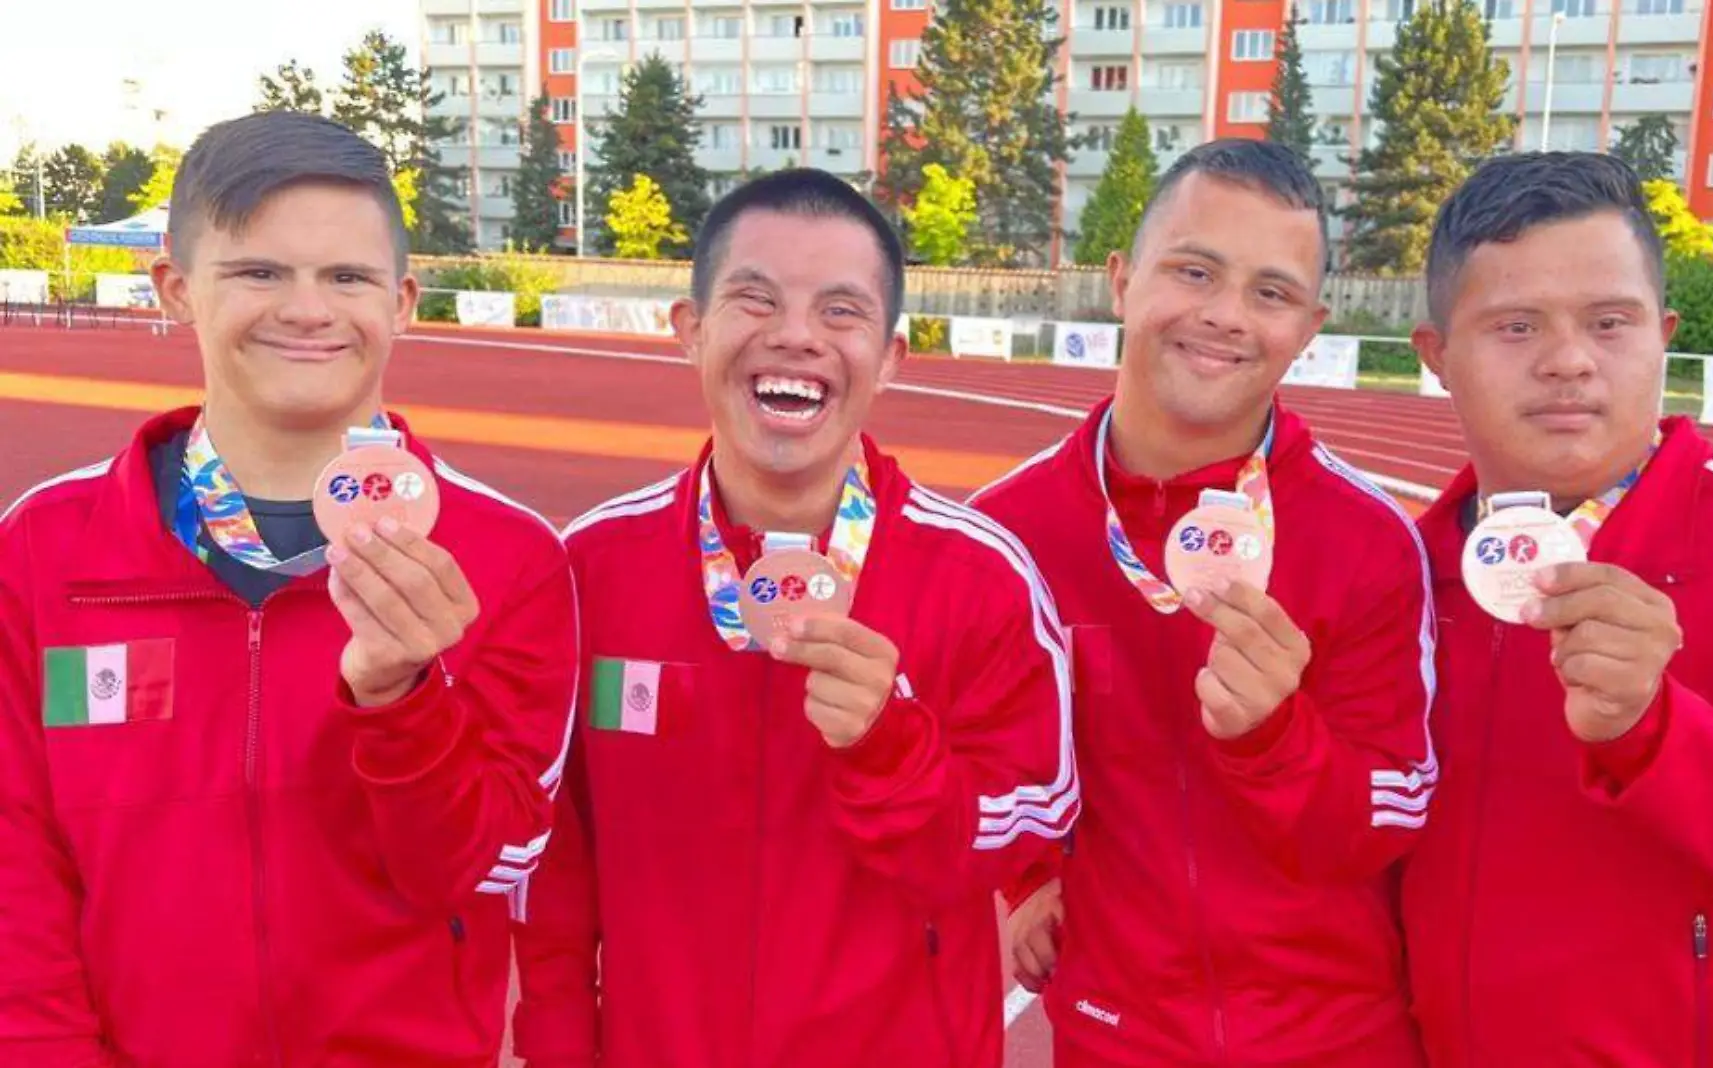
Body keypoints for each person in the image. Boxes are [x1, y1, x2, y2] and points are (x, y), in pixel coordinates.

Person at [0, 112, 577, 1067]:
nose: (308, 309)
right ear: (176, 290)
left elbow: (488, 869)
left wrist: (401, 704)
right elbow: (14, 864)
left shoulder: (508, 554)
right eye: (259, 272)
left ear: (401, 300)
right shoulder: (46, 547)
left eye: (346, 277)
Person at [511, 168, 1076, 1068]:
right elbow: (553, 862)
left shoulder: (981, 577)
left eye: (841, 312)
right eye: (755, 298)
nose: (796, 336)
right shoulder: (589, 568)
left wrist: (893, 748)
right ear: (690, 332)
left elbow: (1020, 837)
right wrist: (556, 1044)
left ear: (890, 356)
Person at [1401, 151, 1713, 1066]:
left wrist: (1661, 734)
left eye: (1609, 322)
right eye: (1515, 326)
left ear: (1662, 335)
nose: (1568, 361)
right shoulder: (1405, 572)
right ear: (1436, 357)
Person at [972, 139, 1436, 1066]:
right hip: (1114, 1038)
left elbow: (1390, 820)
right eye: (1194, 271)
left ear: (1310, 324)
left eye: (1271, 292)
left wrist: (1275, 740)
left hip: (1336, 1043)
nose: (1225, 316)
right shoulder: (1004, 535)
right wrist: (1024, 876)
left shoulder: (1370, 540)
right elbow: (987, 763)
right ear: (1121, 279)